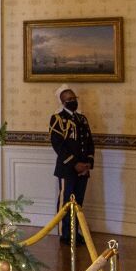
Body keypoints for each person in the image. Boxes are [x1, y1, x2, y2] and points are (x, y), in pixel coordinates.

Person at [49, 85, 95, 245]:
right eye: (69, 100)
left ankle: (76, 232)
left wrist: (88, 162)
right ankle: (65, 234)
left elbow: (89, 142)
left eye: (74, 98)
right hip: (67, 169)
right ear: (62, 102)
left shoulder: (82, 119)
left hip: (83, 169)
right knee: (66, 202)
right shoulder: (58, 119)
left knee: (78, 203)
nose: (73, 101)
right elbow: (58, 144)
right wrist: (75, 164)